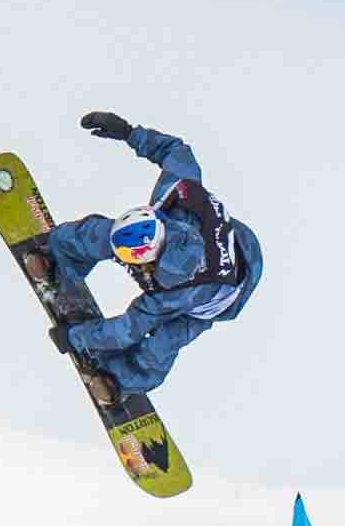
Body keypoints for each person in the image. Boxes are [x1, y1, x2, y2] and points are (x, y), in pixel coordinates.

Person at [40, 112, 264, 407]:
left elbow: (126, 331)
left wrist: (75, 338)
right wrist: (129, 132)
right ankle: (61, 258)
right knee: (96, 235)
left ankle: (119, 381)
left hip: (220, 297)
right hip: (228, 240)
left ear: (148, 263)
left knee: (158, 349)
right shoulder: (176, 197)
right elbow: (176, 151)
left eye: (129, 261)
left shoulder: (170, 296)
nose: (123, 263)